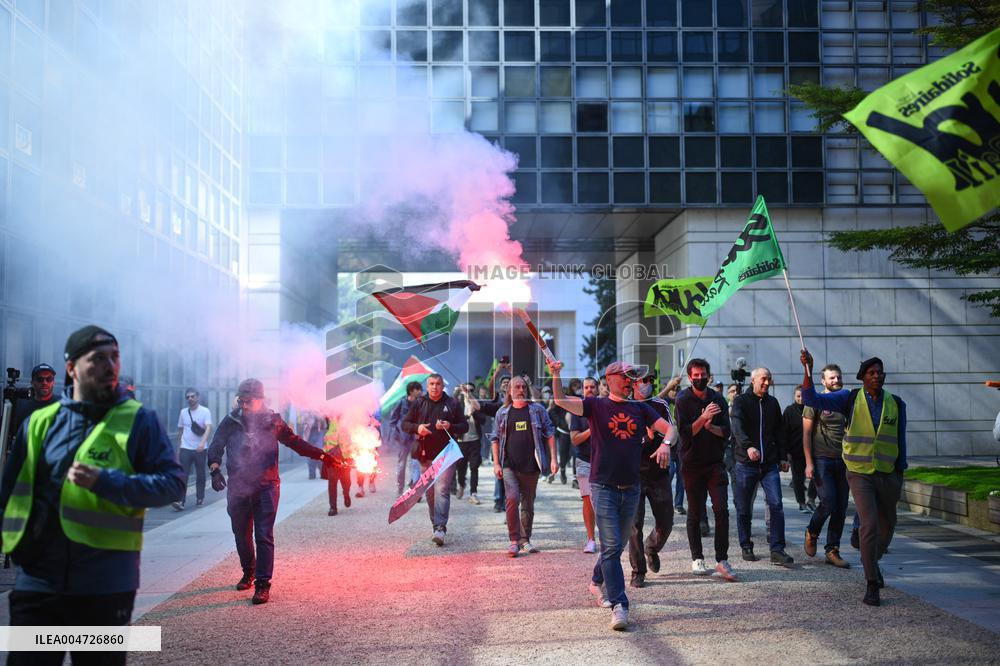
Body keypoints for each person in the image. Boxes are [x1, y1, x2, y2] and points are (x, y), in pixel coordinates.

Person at [0, 325, 184, 664]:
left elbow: (173, 485)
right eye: (98, 358)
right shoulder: (39, 422)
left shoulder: (140, 420)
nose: (110, 366)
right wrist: (16, 547)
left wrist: (107, 482)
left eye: (115, 357)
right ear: (72, 367)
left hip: (106, 584)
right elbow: (8, 493)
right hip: (37, 583)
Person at [551, 358, 675, 632]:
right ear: (611, 379)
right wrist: (556, 374)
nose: (631, 382)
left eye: (633, 377)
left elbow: (671, 429)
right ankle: (620, 604)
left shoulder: (640, 408)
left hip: (632, 487)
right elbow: (560, 400)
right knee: (610, 546)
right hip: (603, 487)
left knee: (615, 546)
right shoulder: (595, 405)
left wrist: (666, 444)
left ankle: (596, 581)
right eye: (626, 376)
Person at [207, 378, 332, 605]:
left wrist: (323, 456)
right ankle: (249, 571)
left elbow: (295, 443)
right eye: (240, 400)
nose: (243, 405)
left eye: (248, 401)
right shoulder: (231, 420)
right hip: (238, 486)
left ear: (259, 400)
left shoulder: (273, 421)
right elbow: (216, 444)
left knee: (263, 534)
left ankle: (263, 584)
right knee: (241, 533)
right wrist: (214, 469)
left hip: (267, 485)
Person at [800, 352, 907, 607]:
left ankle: (872, 560)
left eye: (880, 372)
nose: (877, 376)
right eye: (871, 373)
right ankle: (871, 583)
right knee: (868, 525)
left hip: (888, 473)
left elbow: (900, 439)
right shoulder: (848, 398)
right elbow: (811, 398)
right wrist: (808, 369)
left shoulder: (896, 403)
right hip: (859, 472)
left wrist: (899, 472)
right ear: (862, 377)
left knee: (887, 526)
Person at [674, 359, 736, 581]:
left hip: (715, 463)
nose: (700, 379)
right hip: (691, 464)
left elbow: (726, 432)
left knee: (721, 510)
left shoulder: (718, 399)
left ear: (709, 376)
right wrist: (703, 418)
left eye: (703, 375)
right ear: (690, 377)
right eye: (696, 376)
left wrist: (711, 426)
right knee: (695, 511)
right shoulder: (682, 399)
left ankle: (722, 559)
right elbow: (685, 433)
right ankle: (697, 557)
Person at [730, 367, 794, 566]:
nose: (767, 383)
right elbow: (737, 428)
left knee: (776, 505)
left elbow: (779, 432)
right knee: (743, 508)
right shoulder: (741, 401)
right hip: (746, 463)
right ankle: (746, 545)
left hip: (769, 465)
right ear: (753, 380)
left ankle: (777, 549)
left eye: (769, 379)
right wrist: (748, 446)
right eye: (763, 379)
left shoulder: (773, 403)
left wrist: (783, 457)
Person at [491, 376, 557, 557]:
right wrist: (496, 463)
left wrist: (553, 459)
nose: (521, 390)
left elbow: (550, 433)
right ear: (509, 391)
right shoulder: (502, 412)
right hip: (509, 465)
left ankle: (525, 539)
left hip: (532, 465)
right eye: (517, 387)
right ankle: (514, 540)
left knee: (528, 503)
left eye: (523, 387)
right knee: (512, 498)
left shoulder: (537, 410)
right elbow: (495, 438)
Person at [401, 373, 469, 546]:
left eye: (438, 384)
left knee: (442, 489)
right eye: (431, 384)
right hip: (425, 456)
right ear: (427, 386)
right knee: (430, 493)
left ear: (443, 386)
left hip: (446, 455)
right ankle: (435, 524)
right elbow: (404, 424)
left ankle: (440, 527)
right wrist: (418, 428)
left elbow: (465, 426)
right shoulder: (419, 403)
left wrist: (450, 426)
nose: (434, 387)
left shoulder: (452, 403)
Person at [628, 369, 677, 588]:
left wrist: (664, 443)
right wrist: (644, 437)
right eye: (643, 380)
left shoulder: (660, 405)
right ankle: (638, 571)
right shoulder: (625, 406)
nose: (648, 383)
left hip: (659, 472)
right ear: (633, 384)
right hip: (633, 474)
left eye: (650, 380)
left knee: (666, 521)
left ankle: (652, 547)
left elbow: (672, 432)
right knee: (634, 525)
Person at [802, 364, 851, 569]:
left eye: (838, 377)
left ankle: (832, 550)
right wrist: (809, 463)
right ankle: (812, 532)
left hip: (845, 460)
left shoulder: (847, 400)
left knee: (841, 507)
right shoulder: (816, 401)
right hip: (822, 460)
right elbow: (806, 434)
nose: (836, 380)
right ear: (823, 381)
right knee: (828, 501)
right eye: (831, 378)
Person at [569, 377, 599, 553]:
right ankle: (591, 539)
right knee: (587, 498)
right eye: (586, 387)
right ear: (582, 390)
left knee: (603, 500)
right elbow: (574, 439)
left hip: (604, 461)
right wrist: (591, 430)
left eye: (592, 387)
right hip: (584, 459)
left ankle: (608, 537)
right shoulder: (577, 410)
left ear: (597, 389)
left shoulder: (605, 407)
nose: (589, 390)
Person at [173, 388, 213, 511]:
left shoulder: (205, 411)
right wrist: (178, 449)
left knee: (200, 474)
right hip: (185, 447)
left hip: (200, 448)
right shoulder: (183, 412)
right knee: (183, 474)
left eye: (192, 396)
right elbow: (180, 430)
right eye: (188, 397)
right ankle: (180, 500)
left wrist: (202, 443)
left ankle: (200, 497)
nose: (190, 399)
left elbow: (208, 428)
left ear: (197, 397)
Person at [784, 386, 817, 513]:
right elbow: (785, 432)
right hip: (795, 450)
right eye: (798, 396)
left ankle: (811, 500)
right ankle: (801, 502)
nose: (801, 398)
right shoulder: (789, 411)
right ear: (794, 396)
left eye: (803, 395)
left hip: (813, 450)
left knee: (816, 476)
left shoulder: (813, 408)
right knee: (798, 479)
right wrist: (786, 452)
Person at [390, 381, 423, 497]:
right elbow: (393, 420)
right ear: (411, 391)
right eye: (418, 389)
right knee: (401, 465)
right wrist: (397, 433)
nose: (420, 391)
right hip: (403, 440)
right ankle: (400, 489)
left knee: (415, 464)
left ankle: (415, 490)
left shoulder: (421, 403)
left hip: (416, 438)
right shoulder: (401, 402)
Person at [10, 363, 59, 438]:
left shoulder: (63, 405)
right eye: (40, 379)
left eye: (49, 379)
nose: (44, 382)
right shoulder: (21, 406)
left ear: (54, 382)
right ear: (32, 382)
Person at [455, 383, 485, 504]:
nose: (468, 392)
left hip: (475, 441)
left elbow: (483, 420)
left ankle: (473, 493)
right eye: (466, 390)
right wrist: (468, 416)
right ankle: (461, 485)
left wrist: (474, 413)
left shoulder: (477, 404)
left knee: (474, 467)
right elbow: (457, 423)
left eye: (471, 390)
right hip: (461, 442)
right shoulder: (458, 405)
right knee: (460, 468)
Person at [322, 416, 352, 515]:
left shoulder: (349, 414)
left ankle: (346, 494)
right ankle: (333, 507)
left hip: (345, 454)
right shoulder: (329, 415)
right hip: (332, 453)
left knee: (346, 480)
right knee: (332, 480)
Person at [302, 411, 328, 480]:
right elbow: (303, 421)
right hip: (310, 435)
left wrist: (318, 416)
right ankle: (312, 474)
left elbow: (324, 425)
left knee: (319, 454)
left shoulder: (319, 413)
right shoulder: (307, 412)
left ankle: (321, 473)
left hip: (319, 433)